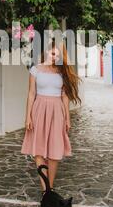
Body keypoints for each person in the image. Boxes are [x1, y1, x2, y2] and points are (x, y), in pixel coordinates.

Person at [21, 39, 82, 195]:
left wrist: (67, 118)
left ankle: (51, 186)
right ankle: (45, 189)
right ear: (47, 51)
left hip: (57, 111)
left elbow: (65, 97)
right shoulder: (35, 69)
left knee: (55, 151)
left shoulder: (62, 72)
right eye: (53, 53)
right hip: (39, 109)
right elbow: (31, 94)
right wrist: (28, 117)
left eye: (59, 55)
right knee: (39, 151)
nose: (55, 57)